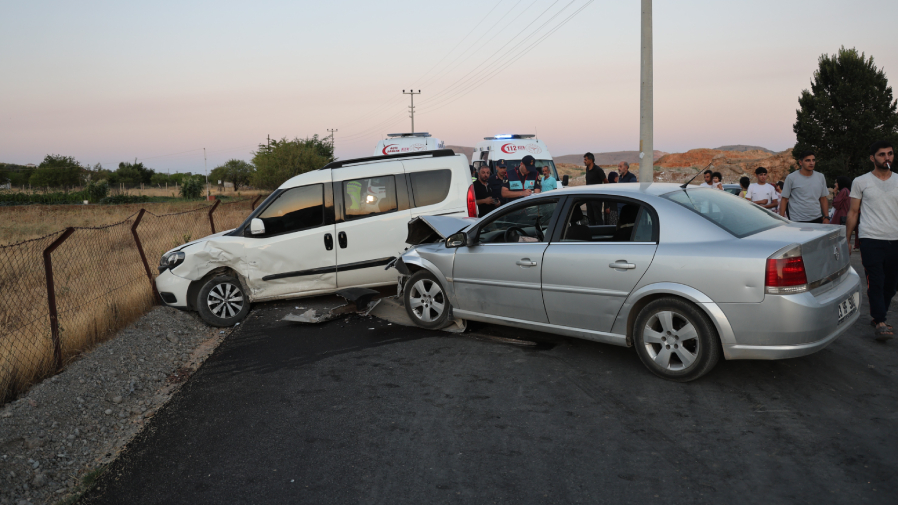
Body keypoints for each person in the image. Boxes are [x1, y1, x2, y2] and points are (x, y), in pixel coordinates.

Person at [846, 141, 897, 340]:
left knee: (891, 284)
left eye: (890, 153)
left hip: (895, 239)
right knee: (876, 280)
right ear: (872, 158)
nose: (887, 158)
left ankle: (878, 314)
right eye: (882, 154)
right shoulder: (861, 181)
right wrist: (847, 239)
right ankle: (880, 319)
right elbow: (853, 212)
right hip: (870, 238)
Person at [778, 151, 829, 223]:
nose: (811, 163)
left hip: (817, 218)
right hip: (797, 220)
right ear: (800, 162)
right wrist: (781, 220)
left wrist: (826, 217)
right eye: (808, 160)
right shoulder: (791, 178)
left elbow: (823, 198)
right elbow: (784, 199)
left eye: (813, 160)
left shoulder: (820, 177)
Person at [584, 152, 607, 225]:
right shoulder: (587, 169)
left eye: (586, 159)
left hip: (596, 198)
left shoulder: (598, 170)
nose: (584, 161)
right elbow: (587, 182)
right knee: (590, 218)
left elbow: (605, 181)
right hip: (589, 198)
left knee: (598, 217)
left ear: (591, 160)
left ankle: (601, 233)